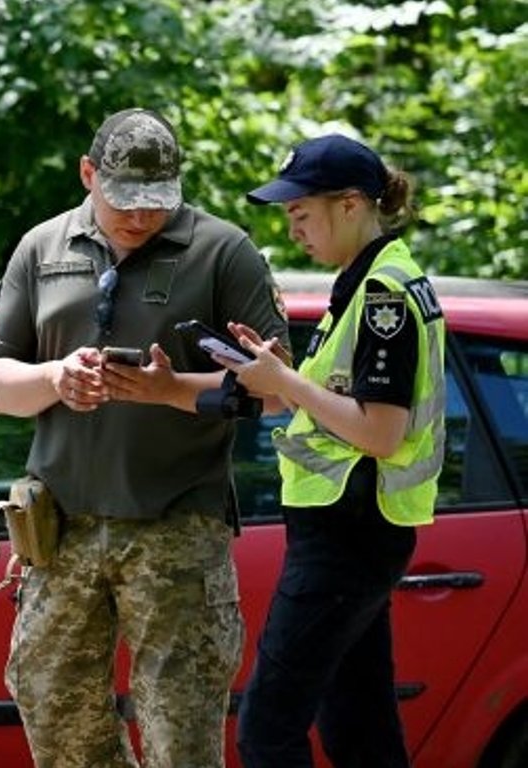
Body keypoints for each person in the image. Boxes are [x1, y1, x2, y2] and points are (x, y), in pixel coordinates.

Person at [0, 107, 291, 768]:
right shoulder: (43, 247)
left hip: (176, 524)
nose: (139, 217)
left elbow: (277, 388)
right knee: (49, 698)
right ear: (89, 174)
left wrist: (174, 388)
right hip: (62, 528)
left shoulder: (222, 251)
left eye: (155, 203)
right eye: (124, 200)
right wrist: (56, 377)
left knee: (180, 727)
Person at [227, 135, 445, 768]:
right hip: (354, 530)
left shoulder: (383, 295)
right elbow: (334, 404)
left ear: (351, 204)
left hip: (350, 535)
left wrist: (285, 383)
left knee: (268, 731)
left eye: (301, 214)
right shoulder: (365, 282)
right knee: (360, 728)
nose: (294, 230)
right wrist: (274, 372)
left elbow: (381, 432)